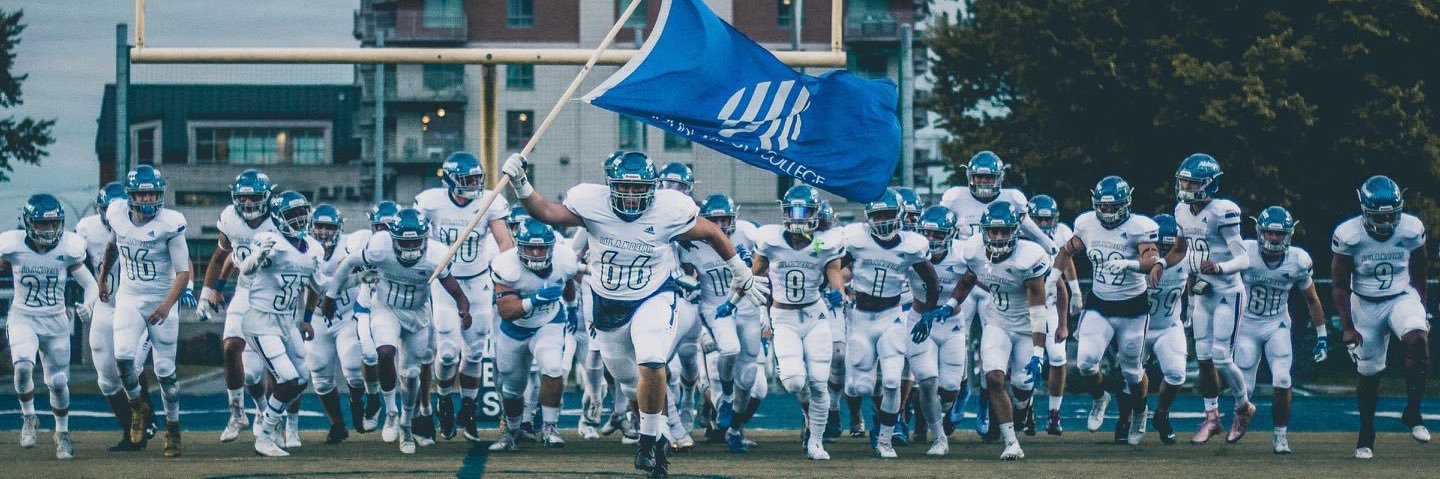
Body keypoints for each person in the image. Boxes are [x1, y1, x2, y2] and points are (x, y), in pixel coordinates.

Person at [500, 151, 765, 479]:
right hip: (608, 304)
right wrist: (521, 183)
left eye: (638, 189)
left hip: (653, 295)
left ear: (653, 188)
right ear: (610, 185)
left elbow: (711, 231)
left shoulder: (670, 208)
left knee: (652, 358)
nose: (631, 195)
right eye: (623, 187)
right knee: (627, 381)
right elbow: (548, 213)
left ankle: (649, 440)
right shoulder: (591, 202)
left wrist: (738, 269)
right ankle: (657, 428)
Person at [324, 208, 473, 454]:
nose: (412, 246)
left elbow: (451, 285)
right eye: (405, 241)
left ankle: (406, 423)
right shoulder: (380, 246)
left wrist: (463, 305)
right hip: (386, 308)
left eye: (416, 241)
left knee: (410, 374)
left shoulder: (435, 253)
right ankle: (391, 411)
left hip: (417, 314)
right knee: (384, 353)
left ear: (426, 237)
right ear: (393, 238)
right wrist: (331, 295)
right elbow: (349, 263)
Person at [921, 202, 1054, 460]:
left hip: (1027, 327)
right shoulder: (974, 251)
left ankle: (1024, 405)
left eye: (1004, 231)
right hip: (997, 323)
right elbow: (969, 279)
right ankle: (1011, 442)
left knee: (1022, 385)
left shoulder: (1029, 257)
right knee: (993, 377)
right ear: (984, 231)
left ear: (1015, 231)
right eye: (993, 232)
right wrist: (949, 306)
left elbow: (1038, 311)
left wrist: (1039, 352)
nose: (998, 237)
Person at [414, 151, 513, 442]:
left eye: (477, 178)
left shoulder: (488, 203)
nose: (474, 184)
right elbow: (417, 238)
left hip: (478, 281)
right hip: (445, 284)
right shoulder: (431, 203)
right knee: (446, 352)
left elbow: (504, 242)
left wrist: (510, 274)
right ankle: (444, 399)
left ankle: (467, 409)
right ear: (452, 180)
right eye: (468, 179)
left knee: (474, 352)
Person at [1055, 176, 1162, 445]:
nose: (1108, 212)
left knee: (1132, 372)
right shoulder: (1086, 223)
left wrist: (1131, 265)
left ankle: (1140, 411)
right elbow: (1066, 251)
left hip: (1133, 308)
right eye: (1103, 206)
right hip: (1100, 303)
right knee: (1086, 362)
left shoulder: (1140, 227)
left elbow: (1152, 260)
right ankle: (1100, 397)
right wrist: (1052, 277)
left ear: (1126, 204)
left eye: (1114, 207)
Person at [98, 165, 195, 457]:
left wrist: (166, 305)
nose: (148, 199)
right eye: (142, 194)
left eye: (153, 192)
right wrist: (103, 276)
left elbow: (182, 272)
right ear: (131, 196)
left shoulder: (171, 223)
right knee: (123, 358)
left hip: (161, 298)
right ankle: (138, 408)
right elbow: (113, 246)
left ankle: (173, 430)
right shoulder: (116, 213)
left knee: (166, 372)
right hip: (129, 297)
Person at [746, 185, 847, 460]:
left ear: (816, 214)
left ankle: (816, 441)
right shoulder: (771, 240)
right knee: (793, 381)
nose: (798, 218)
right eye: (793, 211)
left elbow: (834, 271)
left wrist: (839, 293)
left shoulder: (821, 243)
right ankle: (807, 415)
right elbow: (753, 273)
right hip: (784, 316)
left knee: (818, 381)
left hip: (815, 316)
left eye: (804, 212)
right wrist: (738, 297)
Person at [1332, 175, 1430, 459]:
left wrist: (1421, 309)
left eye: (1391, 216)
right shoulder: (1348, 234)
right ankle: (1366, 434)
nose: (1386, 223)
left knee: (1418, 341)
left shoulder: (1412, 229)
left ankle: (1412, 412)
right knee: (1370, 375)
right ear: (1365, 211)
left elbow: (1420, 274)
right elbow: (1339, 285)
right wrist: (1348, 327)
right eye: (1379, 216)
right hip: (1365, 303)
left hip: (1401, 296)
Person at [840, 188, 938, 458]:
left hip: (892, 316)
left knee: (893, 380)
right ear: (868, 217)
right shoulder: (856, 239)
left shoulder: (911, 245)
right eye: (878, 215)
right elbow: (835, 267)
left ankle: (885, 439)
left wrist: (926, 314)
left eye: (888, 214)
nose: (883, 221)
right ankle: (867, 418)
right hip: (860, 317)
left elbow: (932, 282)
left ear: (900, 215)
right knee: (857, 386)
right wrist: (839, 288)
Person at [1, 194, 97, 459]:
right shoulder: (12, 246)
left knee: (57, 382)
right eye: (43, 225)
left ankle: (62, 432)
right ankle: (29, 417)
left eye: (54, 224)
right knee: (22, 366)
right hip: (24, 317)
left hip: (55, 322)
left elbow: (90, 284)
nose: (49, 230)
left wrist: (89, 304)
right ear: (29, 223)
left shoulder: (68, 248)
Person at [1173, 153, 1256, 444]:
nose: (1186, 187)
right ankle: (1212, 418)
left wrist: (1219, 267)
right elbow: (1182, 251)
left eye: (1192, 183)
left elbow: (1243, 258)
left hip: (1227, 291)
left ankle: (1244, 407)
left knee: (1222, 358)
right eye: (1184, 181)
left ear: (1209, 184)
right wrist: (1161, 265)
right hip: (1203, 292)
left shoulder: (1223, 211)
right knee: (1205, 358)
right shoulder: (1182, 212)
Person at [1236, 206, 1328, 453]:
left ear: (1289, 235)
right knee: (1245, 387)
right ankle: (1241, 418)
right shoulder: (1245, 251)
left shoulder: (1298, 260)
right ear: (1259, 232)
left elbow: (1312, 299)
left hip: (1277, 324)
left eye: (1280, 234)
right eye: (1269, 233)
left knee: (1283, 378)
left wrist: (1322, 335)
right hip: (1246, 324)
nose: (1274, 238)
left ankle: (1280, 436)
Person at [240, 191, 325, 457]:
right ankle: (265, 435)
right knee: (287, 378)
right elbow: (246, 269)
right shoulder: (268, 241)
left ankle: (270, 420)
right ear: (279, 218)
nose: (300, 219)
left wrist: (355, 279)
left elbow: (321, 285)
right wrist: (257, 257)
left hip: (287, 322)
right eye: (293, 215)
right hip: (262, 320)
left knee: (301, 379)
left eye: (302, 213)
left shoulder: (313, 248)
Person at [200, 169, 280, 444]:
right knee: (231, 347)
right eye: (243, 198)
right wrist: (211, 292)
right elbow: (224, 256)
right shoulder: (231, 219)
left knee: (264, 369)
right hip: (246, 292)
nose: (248, 204)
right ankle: (237, 413)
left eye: (254, 197)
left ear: (267, 197)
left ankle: (271, 418)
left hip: (273, 296)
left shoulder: (279, 220)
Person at [75, 182, 156, 452]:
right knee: (107, 380)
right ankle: (131, 432)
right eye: (104, 210)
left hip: (136, 307)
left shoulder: (147, 224)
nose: (109, 216)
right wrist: (89, 299)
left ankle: (150, 416)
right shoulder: (86, 229)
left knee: (131, 363)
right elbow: (78, 269)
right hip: (105, 307)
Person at [487, 218, 580, 451]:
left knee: (553, 368)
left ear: (551, 247)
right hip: (515, 327)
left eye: (541, 248)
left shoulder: (564, 259)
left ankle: (550, 427)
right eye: (530, 247)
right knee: (512, 387)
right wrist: (533, 300)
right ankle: (512, 430)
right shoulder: (505, 265)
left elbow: (566, 281)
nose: (537, 253)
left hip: (548, 321)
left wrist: (570, 305)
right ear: (519, 246)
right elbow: (507, 311)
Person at [906, 206, 971, 455]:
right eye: (928, 234)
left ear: (951, 234)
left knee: (948, 389)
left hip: (951, 324)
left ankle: (927, 419)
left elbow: (982, 274)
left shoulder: (963, 255)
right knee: (927, 380)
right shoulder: (912, 251)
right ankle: (939, 438)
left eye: (938, 234)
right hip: (921, 322)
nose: (931, 240)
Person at [305, 204, 367, 444]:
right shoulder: (305, 249)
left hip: (346, 315)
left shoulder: (350, 244)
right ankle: (337, 425)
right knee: (319, 372)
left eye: (329, 227)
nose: (323, 232)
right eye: (319, 226)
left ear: (339, 229)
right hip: (318, 319)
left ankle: (356, 401)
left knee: (352, 366)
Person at [1027, 194, 1076, 435]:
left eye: (1047, 220)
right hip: (1025, 310)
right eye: (1038, 220)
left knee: (1057, 357)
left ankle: (1054, 413)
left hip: (1051, 306)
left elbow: (1061, 284)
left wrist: (1063, 324)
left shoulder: (1060, 236)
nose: (1043, 225)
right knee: (1024, 362)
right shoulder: (1021, 241)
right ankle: (1027, 409)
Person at [1142, 214, 1190, 445]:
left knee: (1177, 373)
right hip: (1137, 325)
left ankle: (1161, 414)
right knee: (1128, 377)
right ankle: (1127, 419)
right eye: (1158, 246)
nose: (1162, 251)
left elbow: (1197, 277)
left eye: (1168, 246)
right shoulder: (1138, 259)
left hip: (1168, 326)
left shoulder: (1186, 258)